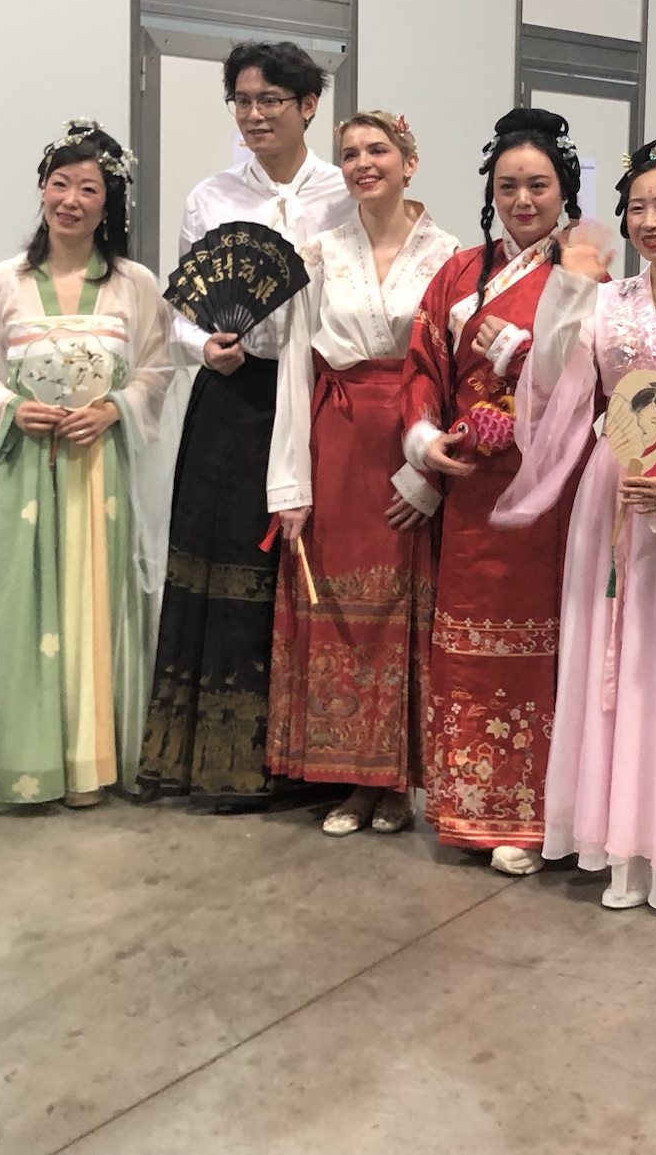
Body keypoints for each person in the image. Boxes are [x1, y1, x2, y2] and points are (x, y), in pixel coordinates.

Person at [492, 139, 656, 913]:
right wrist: (570, 290)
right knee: (600, 651)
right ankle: (602, 837)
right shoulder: (609, 302)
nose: (649, 221)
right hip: (610, 489)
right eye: (636, 207)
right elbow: (554, 384)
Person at [138, 42, 349, 811]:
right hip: (231, 400)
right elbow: (180, 311)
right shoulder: (211, 196)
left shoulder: (343, 193)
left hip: (317, 397)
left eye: (271, 100)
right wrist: (203, 347)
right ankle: (216, 763)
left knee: (307, 568)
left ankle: (312, 763)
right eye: (243, 101)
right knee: (223, 562)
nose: (255, 115)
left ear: (308, 106)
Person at [0, 121, 174, 811]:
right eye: (59, 184)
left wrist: (115, 409)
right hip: (26, 468)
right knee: (25, 609)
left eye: (89, 189)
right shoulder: (1, 283)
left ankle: (93, 763)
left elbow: (158, 367)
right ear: (42, 190)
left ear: (110, 204)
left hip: (101, 469)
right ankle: (31, 762)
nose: (71, 200)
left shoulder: (134, 284)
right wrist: (11, 408)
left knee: (99, 604)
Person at [401, 107, 591, 875]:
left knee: (543, 649)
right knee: (469, 648)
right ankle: (468, 807)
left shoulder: (586, 273)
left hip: (551, 491)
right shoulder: (458, 273)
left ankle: (537, 816)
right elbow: (422, 365)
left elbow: (598, 376)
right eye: (507, 186)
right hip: (472, 492)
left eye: (537, 185)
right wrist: (424, 438)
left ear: (564, 190)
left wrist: (523, 356)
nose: (522, 200)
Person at [269, 110, 458, 836]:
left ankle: (398, 780)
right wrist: (290, 484)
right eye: (349, 154)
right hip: (338, 438)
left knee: (404, 608)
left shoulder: (450, 257)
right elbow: (296, 366)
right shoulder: (319, 253)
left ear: (410, 161)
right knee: (340, 609)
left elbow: (452, 372)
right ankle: (351, 778)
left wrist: (431, 474)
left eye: (378, 149)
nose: (362, 163)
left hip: (411, 440)